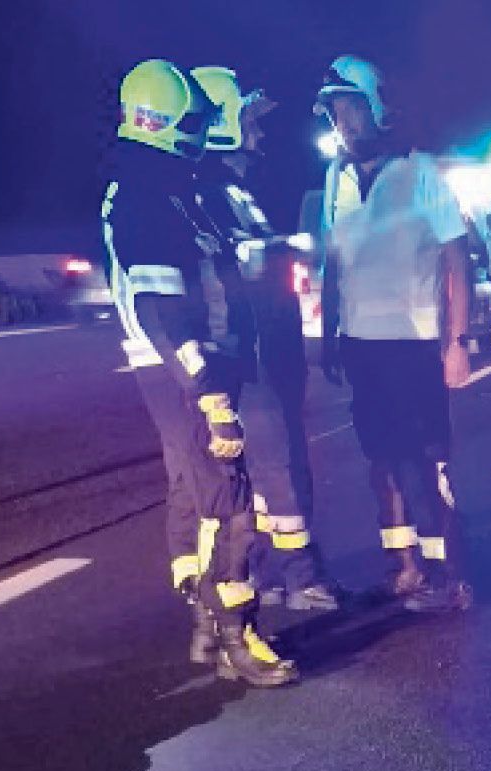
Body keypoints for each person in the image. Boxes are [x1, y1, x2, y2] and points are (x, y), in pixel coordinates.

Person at [103, 60, 295, 687]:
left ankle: (209, 628)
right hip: (186, 372)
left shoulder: (160, 187)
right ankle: (240, 639)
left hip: (195, 366)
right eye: (193, 122)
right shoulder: (145, 195)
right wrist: (209, 391)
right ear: (167, 122)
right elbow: (159, 306)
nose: (201, 132)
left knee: (199, 498)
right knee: (229, 506)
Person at [314, 56, 473, 614]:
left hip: (416, 344)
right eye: (334, 111)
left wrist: (458, 341)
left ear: (376, 107)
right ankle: (402, 568)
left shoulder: (421, 172)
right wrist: (330, 332)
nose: (343, 120)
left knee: (425, 459)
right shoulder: (334, 178)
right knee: (380, 458)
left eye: (351, 107)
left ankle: (448, 574)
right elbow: (333, 261)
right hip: (360, 344)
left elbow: (457, 257)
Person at [190, 68, 341, 612]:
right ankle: (298, 577)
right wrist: (288, 246)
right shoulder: (206, 195)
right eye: (249, 123)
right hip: (247, 354)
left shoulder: (233, 192)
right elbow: (236, 267)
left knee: (279, 462)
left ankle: (275, 571)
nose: (259, 134)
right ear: (223, 125)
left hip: (271, 348)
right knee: (275, 463)